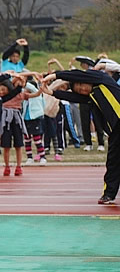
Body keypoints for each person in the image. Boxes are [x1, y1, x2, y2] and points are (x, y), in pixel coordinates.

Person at [41, 70, 120, 205]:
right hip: (116, 132)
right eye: (79, 90)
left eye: (82, 85)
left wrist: (55, 75)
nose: (82, 89)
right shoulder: (91, 97)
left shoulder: (101, 79)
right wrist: (53, 93)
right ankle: (109, 194)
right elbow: (74, 98)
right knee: (113, 163)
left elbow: (77, 73)